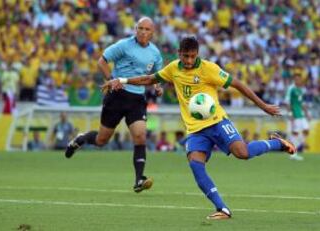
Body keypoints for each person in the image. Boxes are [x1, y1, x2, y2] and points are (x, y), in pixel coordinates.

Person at [102, 36, 296, 220]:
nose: (188, 60)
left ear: (197, 54)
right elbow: (149, 79)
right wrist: (123, 80)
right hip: (195, 130)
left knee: (242, 153)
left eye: (192, 56)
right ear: (179, 53)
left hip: (217, 122)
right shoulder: (173, 69)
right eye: (185, 56)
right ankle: (222, 209)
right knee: (196, 164)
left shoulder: (208, 69)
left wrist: (263, 106)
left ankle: (276, 143)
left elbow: (237, 84)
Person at [65, 17, 164, 193]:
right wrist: (111, 80)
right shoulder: (124, 45)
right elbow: (101, 61)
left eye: (147, 29)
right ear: (135, 29)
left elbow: (156, 75)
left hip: (137, 99)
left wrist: (157, 87)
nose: (142, 32)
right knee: (101, 140)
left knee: (140, 136)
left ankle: (139, 179)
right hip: (117, 96)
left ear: (152, 32)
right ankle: (81, 139)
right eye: (140, 28)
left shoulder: (155, 53)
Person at [285, 73, 310, 161]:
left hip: (301, 114)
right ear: (294, 80)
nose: (298, 81)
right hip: (295, 115)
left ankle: (294, 146)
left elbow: (302, 103)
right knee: (295, 133)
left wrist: (307, 113)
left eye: (299, 79)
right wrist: (290, 114)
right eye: (296, 79)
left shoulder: (301, 90)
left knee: (306, 131)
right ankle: (293, 154)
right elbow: (287, 102)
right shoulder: (291, 89)